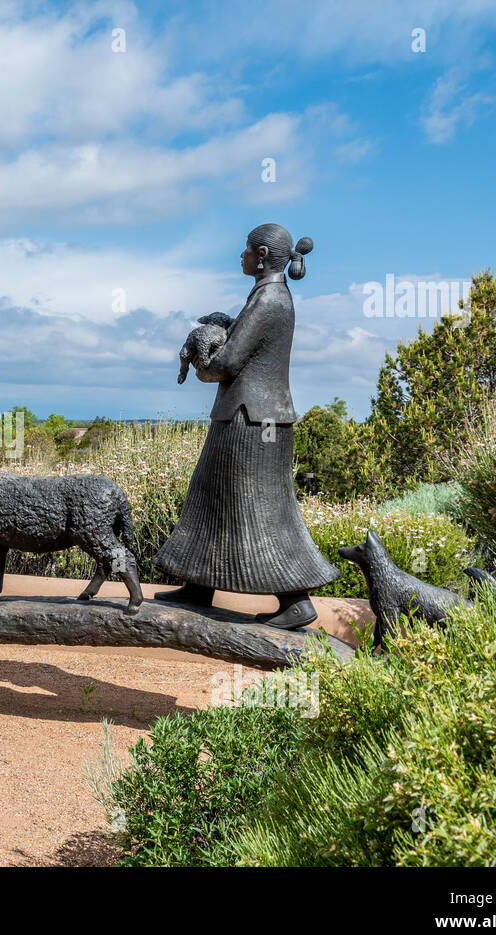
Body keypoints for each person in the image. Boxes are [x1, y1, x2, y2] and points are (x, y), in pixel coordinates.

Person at [155, 223, 337, 630]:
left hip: (255, 422)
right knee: (210, 495)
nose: (239, 257)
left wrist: (199, 362)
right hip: (244, 416)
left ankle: (296, 600)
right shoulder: (263, 296)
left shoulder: (270, 299)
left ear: (260, 255)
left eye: (244, 252)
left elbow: (229, 362)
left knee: (260, 504)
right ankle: (199, 583)